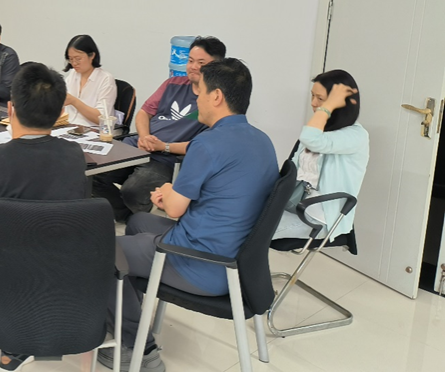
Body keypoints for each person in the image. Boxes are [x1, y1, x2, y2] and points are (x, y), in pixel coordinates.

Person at [97, 59, 279, 372]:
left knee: (100, 251)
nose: (196, 99)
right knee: (138, 222)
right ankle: (131, 312)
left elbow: (175, 208)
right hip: (238, 260)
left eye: (200, 92)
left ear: (217, 96)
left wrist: (168, 191)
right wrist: (171, 193)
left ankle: (140, 349)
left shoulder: (207, 143)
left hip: (198, 263)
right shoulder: (262, 140)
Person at [0, 62, 87, 372]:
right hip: (64, 281)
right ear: (59, 112)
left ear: (10, 109)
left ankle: (13, 348)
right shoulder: (74, 156)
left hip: (2, 289)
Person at [92, 36, 226, 221]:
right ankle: (126, 216)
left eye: (201, 63)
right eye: (190, 61)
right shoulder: (172, 84)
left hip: (165, 158)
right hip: (138, 145)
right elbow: (143, 113)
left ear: (217, 66)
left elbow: (202, 145)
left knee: (133, 191)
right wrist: (144, 136)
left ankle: (136, 220)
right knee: (92, 173)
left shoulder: (216, 100)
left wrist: (164, 146)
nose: (193, 66)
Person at [272, 69, 369, 240]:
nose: (313, 103)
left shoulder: (356, 136)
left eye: (321, 99)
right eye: (312, 96)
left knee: (250, 234)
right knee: (238, 219)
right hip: (292, 203)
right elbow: (292, 169)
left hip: (318, 217)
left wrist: (327, 108)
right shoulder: (318, 129)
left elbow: (311, 139)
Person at [62, 34, 117, 127]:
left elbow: (101, 119)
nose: (74, 63)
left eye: (78, 59)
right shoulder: (73, 75)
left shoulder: (105, 79)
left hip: (93, 130)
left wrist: (74, 101)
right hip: (69, 127)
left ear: (92, 56)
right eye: (70, 59)